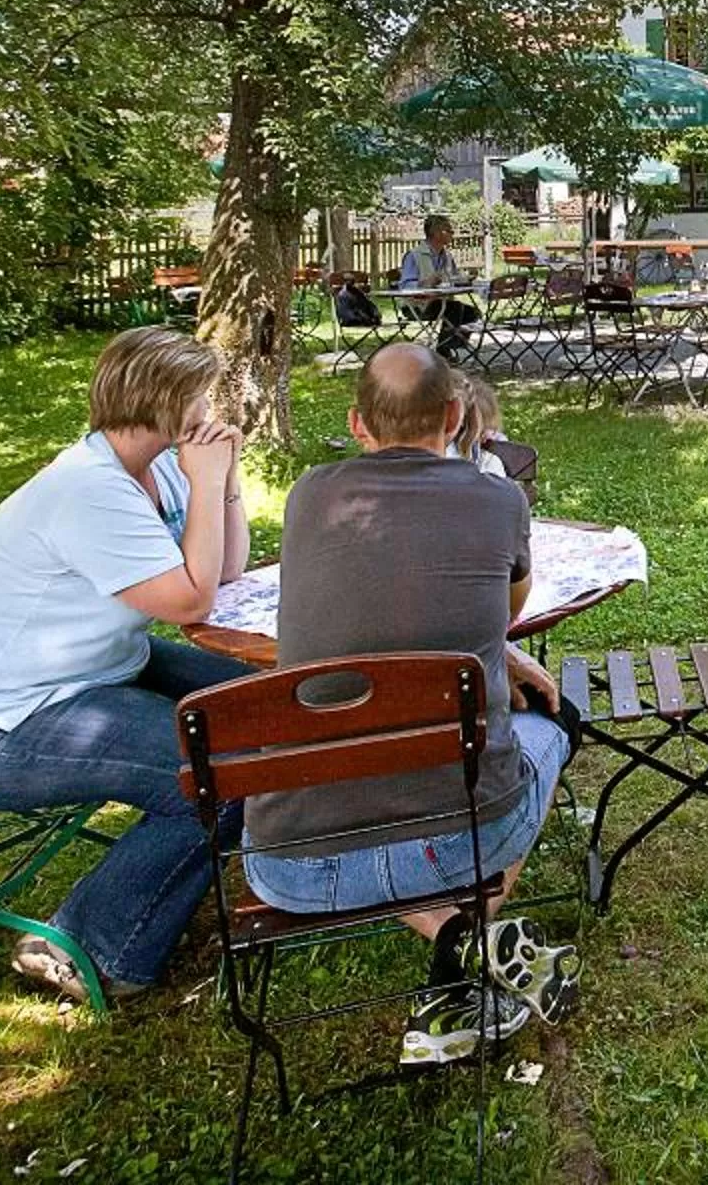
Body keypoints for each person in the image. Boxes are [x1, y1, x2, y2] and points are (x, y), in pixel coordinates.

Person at [243, 344, 578, 1062]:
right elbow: (505, 612)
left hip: (291, 861)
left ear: (357, 426)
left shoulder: (309, 497)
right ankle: (469, 943)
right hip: (457, 842)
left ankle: (457, 945)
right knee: (553, 723)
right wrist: (504, 656)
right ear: (455, 417)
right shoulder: (498, 499)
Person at [0, 329, 253, 999]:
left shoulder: (158, 467)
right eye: (201, 396)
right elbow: (190, 597)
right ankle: (93, 948)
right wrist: (209, 481)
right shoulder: (88, 490)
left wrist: (224, 480)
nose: (212, 409)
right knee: (223, 771)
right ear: (164, 401)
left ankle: (252, 863)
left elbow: (226, 568)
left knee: (258, 707)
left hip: (91, 671)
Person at [397, 213, 479, 360]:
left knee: (472, 312)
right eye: (449, 230)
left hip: (441, 302)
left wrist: (466, 279)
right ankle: (444, 352)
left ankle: (447, 346)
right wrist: (426, 282)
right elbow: (405, 287)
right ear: (436, 233)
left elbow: (453, 278)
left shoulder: (447, 256)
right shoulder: (414, 256)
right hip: (417, 306)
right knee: (455, 308)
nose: (452, 234)